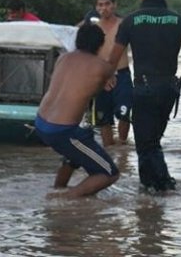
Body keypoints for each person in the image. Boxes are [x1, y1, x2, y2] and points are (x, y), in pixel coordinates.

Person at [108, 0, 181, 192]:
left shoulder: (131, 21)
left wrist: (107, 76)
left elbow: (113, 57)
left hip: (143, 88)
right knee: (152, 140)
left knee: (146, 144)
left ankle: (162, 186)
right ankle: (151, 193)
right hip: (170, 90)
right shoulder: (178, 20)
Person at [35, 24, 119, 198]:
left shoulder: (63, 58)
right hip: (63, 131)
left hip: (41, 123)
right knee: (109, 173)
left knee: (77, 150)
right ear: (100, 45)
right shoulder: (103, 67)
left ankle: (58, 188)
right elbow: (100, 88)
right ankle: (64, 200)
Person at [84, 0, 133, 146]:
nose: (103, 8)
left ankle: (123, 149)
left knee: (125, 114)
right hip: (101, 77)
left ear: (114, 5)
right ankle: (109, 152)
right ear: (96, 7)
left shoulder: (124, 25)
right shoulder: (94, 29)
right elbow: (89, 55)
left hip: (122, 75)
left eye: (107, 4)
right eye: (100, 5)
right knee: (103, 119)